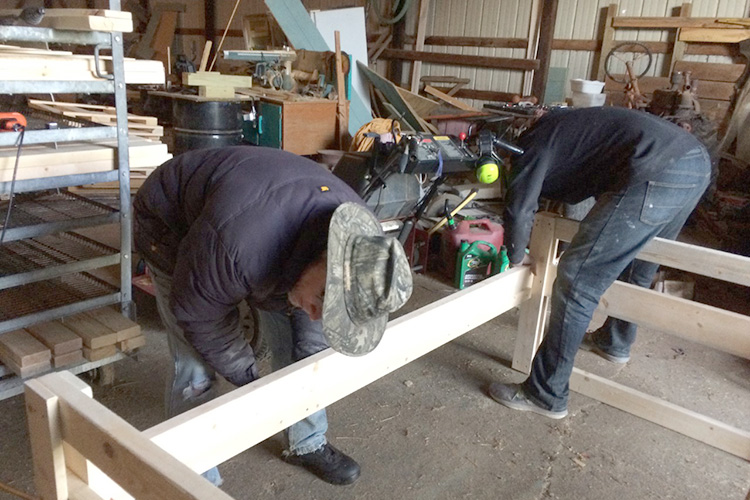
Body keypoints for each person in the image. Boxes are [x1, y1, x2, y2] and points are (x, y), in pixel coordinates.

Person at [133, 146, 413, 485]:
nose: (316, 315)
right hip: (171, 220)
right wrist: (251, 382)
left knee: (305, 348)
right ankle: (192, 478)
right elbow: (201, 318)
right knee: (196, 365)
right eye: (322, 301)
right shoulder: (238, 247)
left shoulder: (360, 243)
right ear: (324, 257)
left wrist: (303, 372)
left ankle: (306, 442)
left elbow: (314, 326)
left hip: (258, 221)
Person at [489, 106, 710, 419]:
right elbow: (586, 184)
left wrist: (514, 256)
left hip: (657, 168)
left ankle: (546, 393)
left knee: (576, 278)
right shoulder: (572, 127)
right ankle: (614, 341)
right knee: (640, 263)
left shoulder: (533, 144)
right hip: (695, 162)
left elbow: (520, 206)